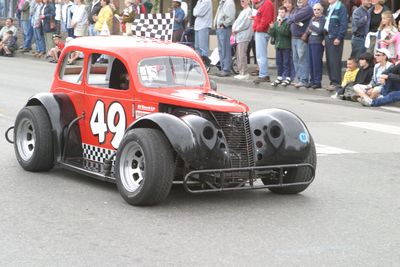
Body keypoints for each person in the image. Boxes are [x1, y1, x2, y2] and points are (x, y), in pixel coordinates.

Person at [287, 0, 313, 88]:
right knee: (295, 60)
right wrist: (292, 18)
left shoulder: (308, 9)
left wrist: (292, 18)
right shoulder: (296, 9)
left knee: (303, 59)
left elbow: (295, 18)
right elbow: (289, 18)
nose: (299, 0)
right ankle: (299, 79)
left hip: (301, 38)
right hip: (294, 37)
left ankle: (304, 80)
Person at [324, 0, 348, 91]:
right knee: (329, 61)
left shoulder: (341, 7)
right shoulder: (330, 7)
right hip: (328, 36)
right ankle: (332, 81)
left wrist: (339, 37)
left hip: (335, 38)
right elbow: (327, 23)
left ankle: (336, 82)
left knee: (335, 61)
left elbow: (343, 24)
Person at [252, 0, 274, 84]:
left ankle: (263, 74)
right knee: (260, 55)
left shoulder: (267, 3)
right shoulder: (264, 3)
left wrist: (257, 28)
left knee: (261, 55)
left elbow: (266, 20)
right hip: (260, 31)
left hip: (262, 32)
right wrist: (256, 27)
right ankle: (263, 74)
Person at [269, 6, 292, 86]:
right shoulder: (277, 22)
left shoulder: (288, 22)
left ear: (285, 13)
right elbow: (272, 34)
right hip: (278, 45)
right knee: (279, 62)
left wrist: (279, 25)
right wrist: (271, 28)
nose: (281, 14)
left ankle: (287, 77)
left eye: (282, 12)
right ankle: (279, 77)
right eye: (279, 12)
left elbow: (287, 33)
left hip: (286, 45)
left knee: (286, 62)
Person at [214, 0, 236, 77]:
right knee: (221, 50)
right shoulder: (222, 2)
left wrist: (223, 25)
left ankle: (226, 69)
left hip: (225, 29)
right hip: (219, 29)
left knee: (225, 50)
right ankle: (223, 68)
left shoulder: (229, 2)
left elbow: (230, 17)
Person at [232, 0, 253, 80]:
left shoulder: (249, 11)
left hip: (244, 36)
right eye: (241, 1)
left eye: (243, 1)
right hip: (239, 36)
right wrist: (234, 28)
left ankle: (244, 72)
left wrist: (236, 29)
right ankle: (241, 72)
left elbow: (245, 24)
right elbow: (237, 22)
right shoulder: (243, 11)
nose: (242, 2)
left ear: (248, 1)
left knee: (242, 54)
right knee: (239, 54)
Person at [306, 2, 325, 89]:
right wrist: (309, 29)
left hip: (318, 43)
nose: (316, 11)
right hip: (310, 41)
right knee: (311, 62)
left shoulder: (323, 19)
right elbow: (308, 30)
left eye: (318, 9)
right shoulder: (312, 18)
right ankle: (312, 80)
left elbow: (320, 30)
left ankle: (317, 82)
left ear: (322, 10)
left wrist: (311, 26)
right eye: (314, 9)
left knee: (317, 62)